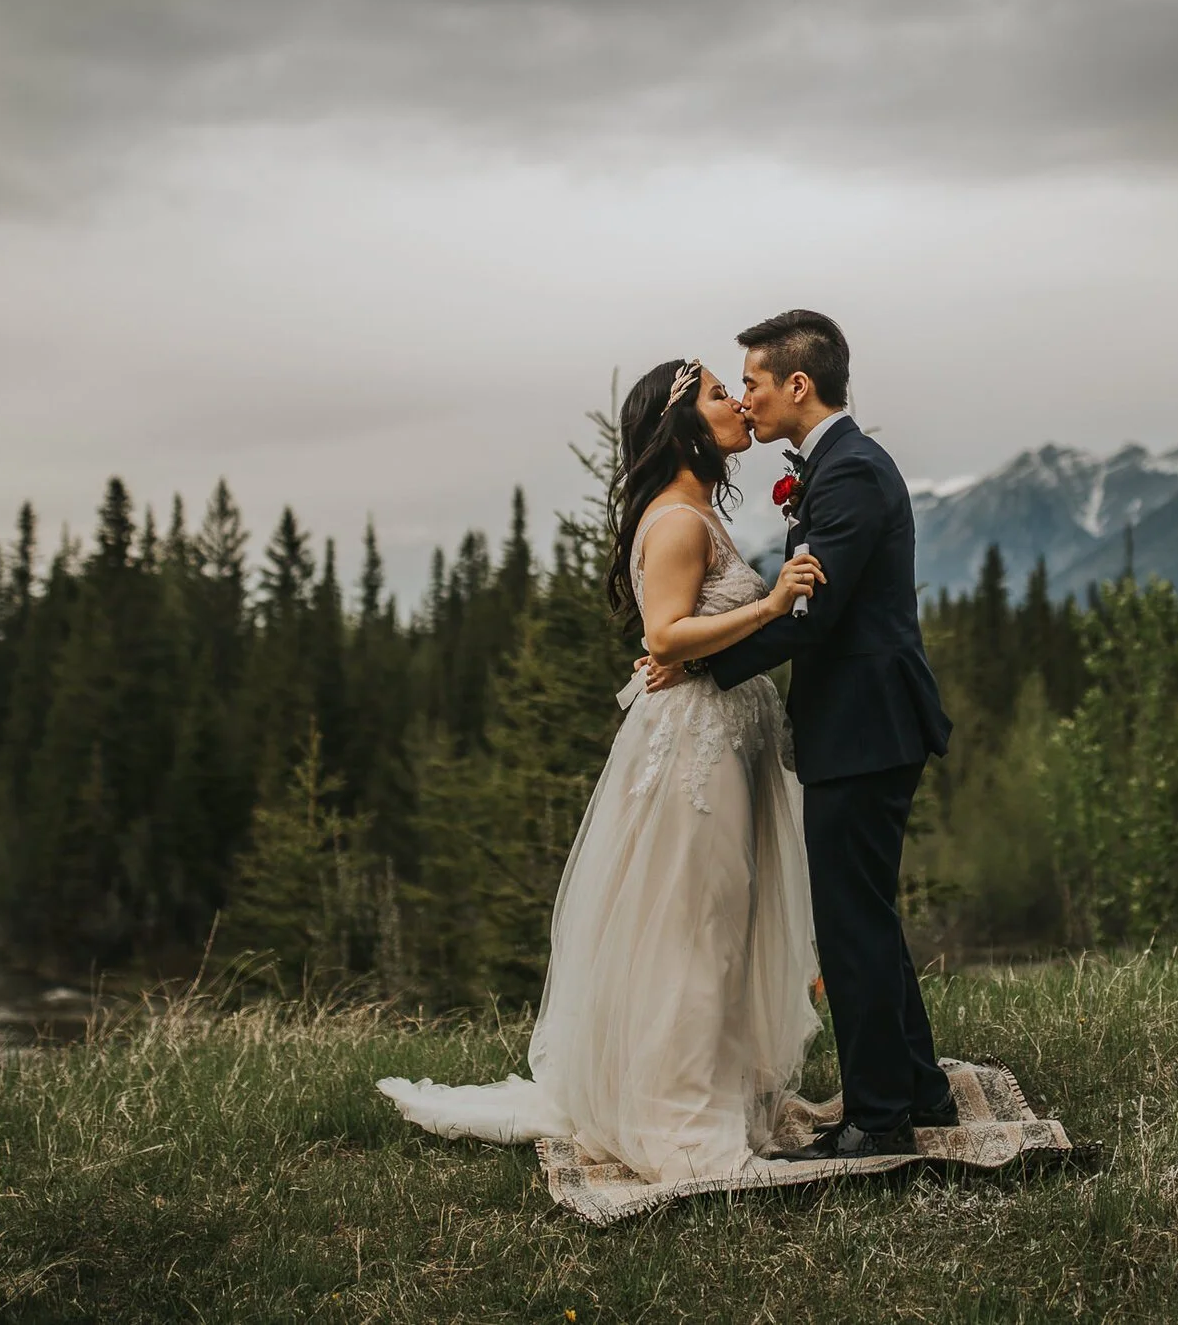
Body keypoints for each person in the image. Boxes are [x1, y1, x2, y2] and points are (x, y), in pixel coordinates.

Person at [377, 357, 825, 1183]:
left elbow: (682, 634)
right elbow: (664, 636)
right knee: (697, 924)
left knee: (720, 921)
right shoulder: (679, 521)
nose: (736, 403)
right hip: (700, 748)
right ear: (682, 424)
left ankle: (710, 1084)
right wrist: (767, 607)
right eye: (719, 394)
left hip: (723, 735)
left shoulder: (691, 514)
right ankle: (678, 1108)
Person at [691, 308, 958, 1160]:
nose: (746, 398)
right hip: (865, 723)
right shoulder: (843, 467)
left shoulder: (850, 475)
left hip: (867, 727)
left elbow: (811, 614)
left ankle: (880, 1119)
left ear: (798, 384)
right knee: (865, 916)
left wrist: (702, 667)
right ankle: (920, 1088)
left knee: (849, 926)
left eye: (756, 382)